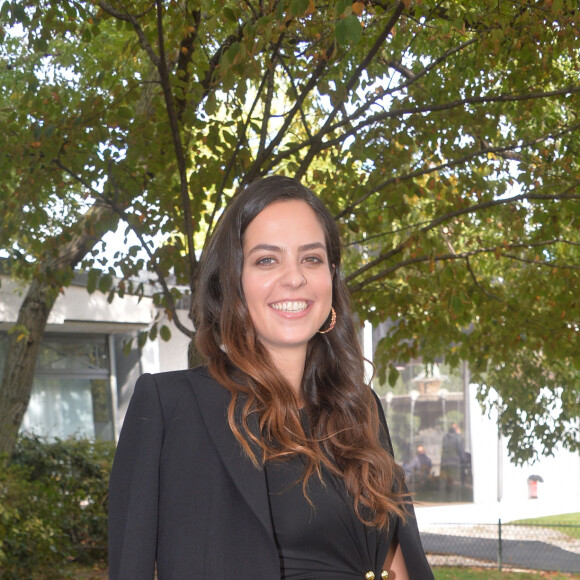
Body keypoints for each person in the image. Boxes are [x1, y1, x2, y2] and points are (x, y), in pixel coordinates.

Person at [108, 175, 434, 580]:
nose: (294, 277)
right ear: (233, 281)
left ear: (331, 276)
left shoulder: (360, 407)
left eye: (311, 259)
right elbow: (131, 566)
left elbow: (396, 561)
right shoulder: (171, 406)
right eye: (267, 259)